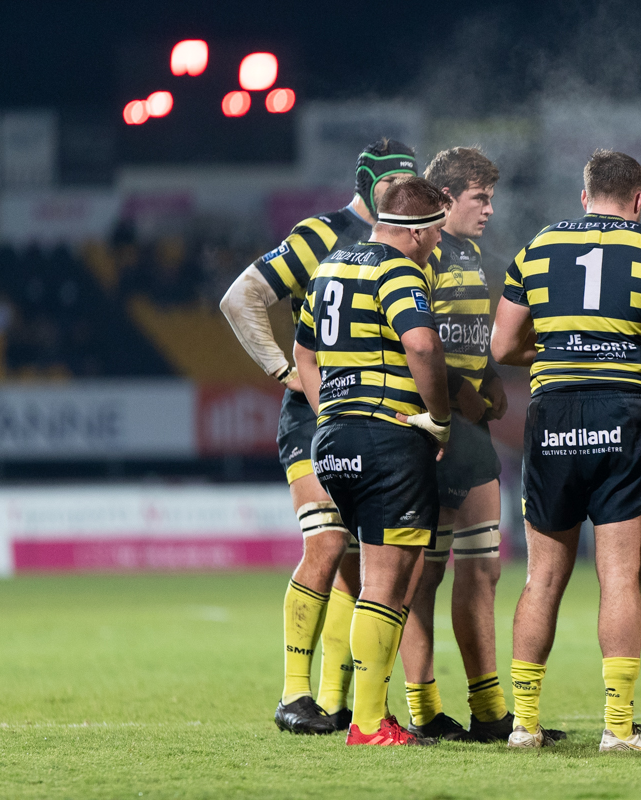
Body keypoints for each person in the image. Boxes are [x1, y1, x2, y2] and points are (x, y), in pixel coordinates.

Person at [490, 150, 641, 752]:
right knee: (619, 577)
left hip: (554, 412)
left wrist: (561, 353)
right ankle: (616, 728)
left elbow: (503, 344)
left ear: (583, 196)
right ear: (639, 201)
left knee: (542, 578)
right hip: (624, 412)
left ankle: (525, 725)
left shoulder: (537, 248)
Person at [220, 138, 417, 735]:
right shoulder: (321, 233)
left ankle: (340, 705)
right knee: (329, 545)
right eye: (390, 181)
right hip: (317, 415)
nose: (399, 190)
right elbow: (242, 297)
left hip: (376, 418)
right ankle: (293, 694)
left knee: (363, 566)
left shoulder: (409, 237)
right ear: (366, 183)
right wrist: (284, 371)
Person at [293, 176, 452, 747]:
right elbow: (423, 346)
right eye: (434, 230)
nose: (437, 241)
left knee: (376, 577)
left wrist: (332, 410)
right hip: (387, 437)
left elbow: (303, 353)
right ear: (413, 229)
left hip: (333, 439)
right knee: (388, 583)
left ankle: (366, 716)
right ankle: (367, 723)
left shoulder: (331, 268)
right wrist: (440, 415)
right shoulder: (398, 270)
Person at [398, 147, 549, 743]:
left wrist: (487, 380)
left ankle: (488, 711)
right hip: (430, 426)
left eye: (491, 197)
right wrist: (459, 393)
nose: (489, 208)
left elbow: (468, 335)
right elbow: (418, 342)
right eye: (479, 198)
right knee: (423, 576)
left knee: (484, 568)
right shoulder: (421, 256)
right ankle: (423, 707)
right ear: (443, 200)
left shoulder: (472, 254)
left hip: (472, 429)